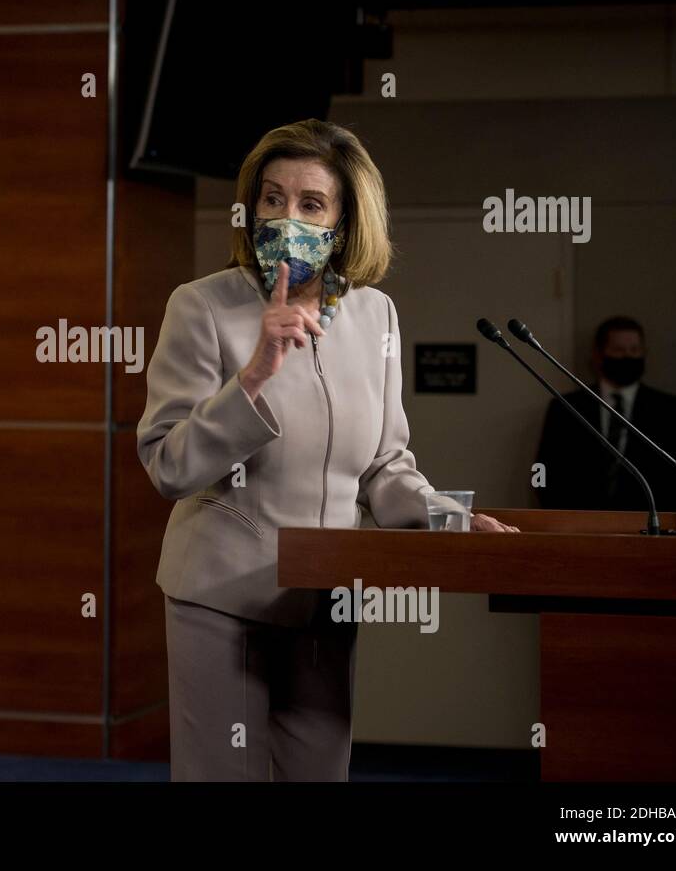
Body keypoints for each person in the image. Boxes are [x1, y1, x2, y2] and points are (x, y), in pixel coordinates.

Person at [136, 118, 515, 783]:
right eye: (272, 198)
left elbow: (385, 464)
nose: (287, 216)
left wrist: (451, 517)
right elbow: (169, 464)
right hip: (221, 597)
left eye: (311, 204)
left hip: (324, 597)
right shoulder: (202, 307)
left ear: (344, 224)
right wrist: (255, 372)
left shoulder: (377, 316)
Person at [534, 315, 676, 513]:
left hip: (650, 529)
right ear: (599, 355)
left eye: (635, 350)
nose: (628, 357)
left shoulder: (672, 411)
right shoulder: (565, 407)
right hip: (579, 527)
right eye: (618, 350)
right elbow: (546, 472)